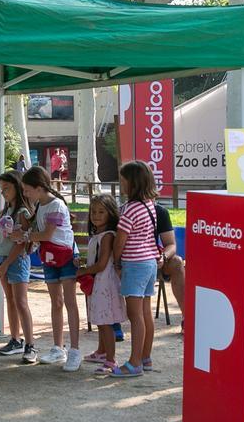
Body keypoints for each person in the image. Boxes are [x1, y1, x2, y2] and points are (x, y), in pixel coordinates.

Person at [19, 165, 82, 371]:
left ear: (39, 188)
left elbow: (47, 234)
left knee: (69, 302)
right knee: (56, 301)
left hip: (65, 257)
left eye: (27, 189)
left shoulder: (55, 205)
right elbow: (40, 232)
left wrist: (24, 236)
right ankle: (58, 347)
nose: (25, 194)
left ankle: (74, 350)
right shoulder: (40, 206)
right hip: (50, 258)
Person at [110, 161, 160, 378]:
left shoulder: (130, 209)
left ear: (132, 183)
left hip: (135, 264)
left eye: (123, 181)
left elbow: (120, 240)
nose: (121, 184)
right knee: (145, 313)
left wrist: (116, 261)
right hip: (149, 262)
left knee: (134, 315)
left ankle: (134, 362)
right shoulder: (150, 205)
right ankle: (145, 356)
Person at [77, 194, 126, 374]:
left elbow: (102, 264)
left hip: (104, 284)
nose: (96, 215)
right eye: (93, 212)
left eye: (101, 212)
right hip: (98, 283)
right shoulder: (98, 234)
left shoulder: (107, 236)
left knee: (106, 322)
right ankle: (101, 351)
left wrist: (81, 271)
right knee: (100, 319)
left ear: (110, 213)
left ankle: (111, 360)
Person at [0, 171, 37, 363]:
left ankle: (30, 344)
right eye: (2, 189)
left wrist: (5, 264)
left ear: (17, 187)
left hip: (16, 260)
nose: (4, 192)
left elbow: (22, 243)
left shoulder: (22, 212)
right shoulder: (5, 211)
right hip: (2, 258)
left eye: (7, 188)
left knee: (20, 301)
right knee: (10, 301)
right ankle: (15, 339)